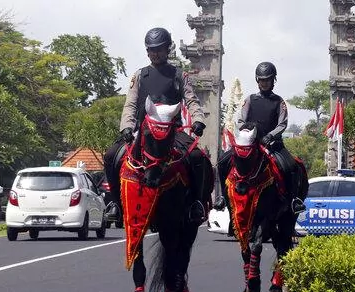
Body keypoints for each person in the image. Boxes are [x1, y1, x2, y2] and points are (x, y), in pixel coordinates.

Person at [103, 27, 208, 223]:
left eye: (159, 49)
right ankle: (116, 203)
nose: (155, 53)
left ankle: (196, 202)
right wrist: (126, 126)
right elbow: (131, 104)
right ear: (147, 51)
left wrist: (198, 121)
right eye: (151, 49)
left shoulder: (179, 75)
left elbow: (192, 101)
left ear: (167, 49)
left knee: (197, 156)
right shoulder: (140, 76)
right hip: (143, 131)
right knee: (110, 156)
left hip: (173, 131)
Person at [214, 61, 303, 213]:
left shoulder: (279, 101)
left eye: (267, 80)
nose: (264, 83)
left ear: (273, 80)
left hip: (272, 144)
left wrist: (270, 135)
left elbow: (282, 124)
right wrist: (248, 131)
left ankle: (294, 200)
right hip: (250, 143)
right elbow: (241, 120)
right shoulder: (249, 99)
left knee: (290, 166)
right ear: (257, 80)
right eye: (261, 80)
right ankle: (222, 197)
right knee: (222, 163)